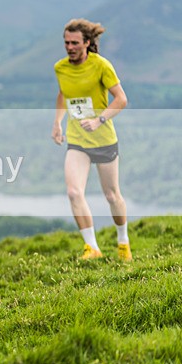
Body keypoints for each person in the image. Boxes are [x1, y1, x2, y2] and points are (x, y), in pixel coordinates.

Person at [52, 18, 132, 262]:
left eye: (75, 43)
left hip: (104, 139)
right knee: (74, 192)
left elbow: (121, 99)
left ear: (87, 43)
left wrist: (99, 120)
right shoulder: (60, 68)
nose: (70, 47)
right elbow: (64, 94)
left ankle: (123, 241)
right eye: (66, 42)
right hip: (77, 141)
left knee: (112, 196)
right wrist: (57, 122)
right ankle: (92, 247)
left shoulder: (101, 66)